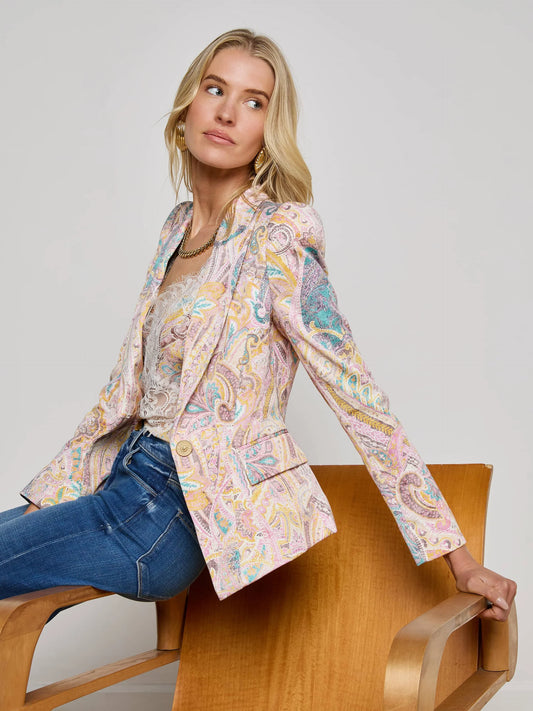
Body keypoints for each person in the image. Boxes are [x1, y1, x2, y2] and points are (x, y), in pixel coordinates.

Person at [0, 29, 515, 619]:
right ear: (187, 108)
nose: (227, 112)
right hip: (123, 481)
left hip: (170, 514)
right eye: (215, 89)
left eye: (254, 101)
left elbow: (358, 398)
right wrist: (54, 497)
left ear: (269, 130)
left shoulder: (280, 236)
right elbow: (122, 395)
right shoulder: (176, 229)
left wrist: (460, 559)